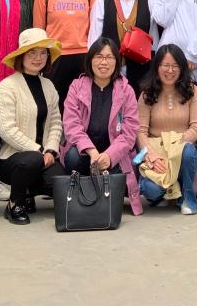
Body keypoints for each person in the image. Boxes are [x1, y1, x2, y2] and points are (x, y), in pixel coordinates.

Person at [60, 38, 143, 216]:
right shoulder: (77, 86)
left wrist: (109, 156)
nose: (104, 62)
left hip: (114, 153)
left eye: (109, 57)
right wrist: (91, 152)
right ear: (90, 60)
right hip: (84, 152)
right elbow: (71, 125)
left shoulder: (126, 90)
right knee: (73, 158)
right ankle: (81, 199)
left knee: (117, 176)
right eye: (98, 56)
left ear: (117, 62)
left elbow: (129, 132)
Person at [0, 28, 66, 225]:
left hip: (43, 155)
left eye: (43, 53)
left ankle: (27, 193)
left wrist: (50, 150)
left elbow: (56, 123)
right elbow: (6, 129)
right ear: (21, 56)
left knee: (58, 182)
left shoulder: (49, 86)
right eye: (32, 53)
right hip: (12, 158)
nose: (38, 58)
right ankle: (15, 203)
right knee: (31, 160)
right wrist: (39, 150)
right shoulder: (7, 86)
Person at [137, 44, 197, 215]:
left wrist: (172, 147)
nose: (170, 70)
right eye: (165, 65)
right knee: (151, 190)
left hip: (181, 150)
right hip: (155, 153)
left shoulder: (193, 91)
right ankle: (167, 191)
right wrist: (151, 155)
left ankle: (187, 198)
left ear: (182, 68)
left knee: (189, 151)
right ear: (157, 67)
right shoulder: (146, 94)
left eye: (175, 66)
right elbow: (140, 132)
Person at [33, 0, 97, 106]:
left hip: (83, 57)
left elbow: (95, 30)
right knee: (53, 105)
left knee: (82, 105)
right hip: (55, 57)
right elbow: (38, 32)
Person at [88, 0, 159, 98]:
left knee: (137, 105)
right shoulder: (103, 0)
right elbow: (94, 39)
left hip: (140, 71)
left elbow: (153, 40)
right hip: (108, 69)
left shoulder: (147, 0)